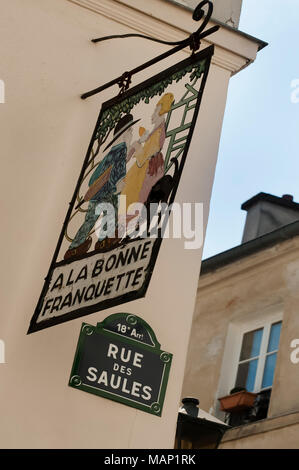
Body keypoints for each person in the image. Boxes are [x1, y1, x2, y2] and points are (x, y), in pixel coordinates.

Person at [64, 114, 139, 260]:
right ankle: (102, 241)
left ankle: (73, 248)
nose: (131, 134)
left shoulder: (114, 149)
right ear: (124, 132)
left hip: (98, 192)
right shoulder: (121, 148)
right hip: (109, 191)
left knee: (91, 219)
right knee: (110, 214)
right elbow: (117, 169)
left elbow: (113, 165)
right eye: (130, 131)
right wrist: (118, 186)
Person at [120, 93, 174, 219]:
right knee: (128, 186)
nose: (152, 115)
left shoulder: (159, 131)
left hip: (149, 168)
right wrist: (140, 143)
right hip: (146, 164)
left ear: (161, 111)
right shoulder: (156, 130)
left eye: (155, 110)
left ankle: (127, 220)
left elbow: (145, 156)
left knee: (131, 188)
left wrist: (137, 146)